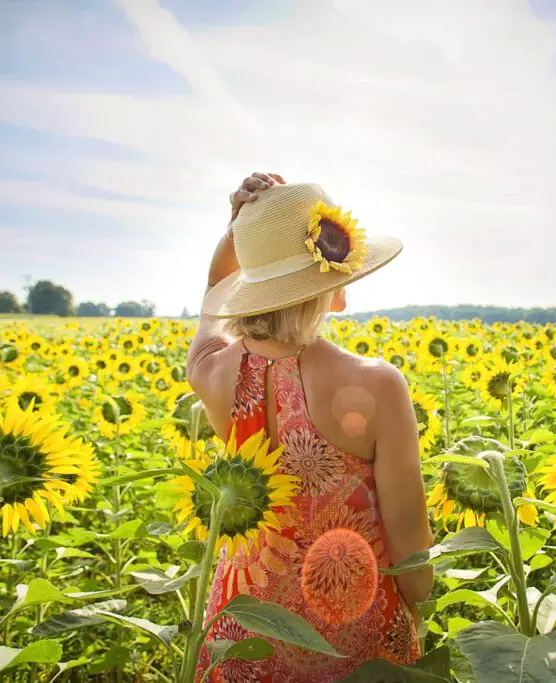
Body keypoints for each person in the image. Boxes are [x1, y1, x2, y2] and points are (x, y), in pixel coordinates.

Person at [186, 172, 434, 681]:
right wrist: (418, 620)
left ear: (250, 286)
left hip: (243, 634)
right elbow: (411, 547)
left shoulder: (212, 373)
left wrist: (239, 231)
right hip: (353, 636)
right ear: (332, 287)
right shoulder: (378, 385)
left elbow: (213, 300)